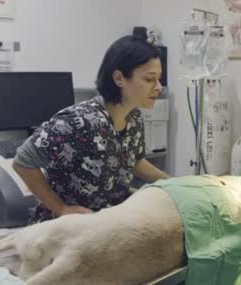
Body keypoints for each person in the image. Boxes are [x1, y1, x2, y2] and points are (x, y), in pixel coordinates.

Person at [14, 35, 169, 224]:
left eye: (158, 79)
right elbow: (23, 161)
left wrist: (174, 183)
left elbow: (131, 160)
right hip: (64, 229)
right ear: (119, 78)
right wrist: (60, 208)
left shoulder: (134, 118)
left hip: (102, 225)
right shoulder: (80, 121)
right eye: (149, 79)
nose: (158, 87)